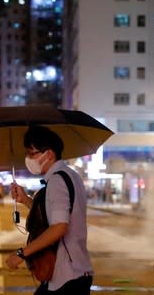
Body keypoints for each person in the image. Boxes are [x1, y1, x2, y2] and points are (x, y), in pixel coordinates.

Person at [5, 126, 93, 294]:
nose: (28, 159)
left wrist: (21, 254)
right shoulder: (70, 175)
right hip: (73, 273)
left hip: (67, 276)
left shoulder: (57, 181)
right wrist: (25, 200)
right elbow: (53, 216)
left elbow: (59, 227)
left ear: (49, 154)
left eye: (32, 154)